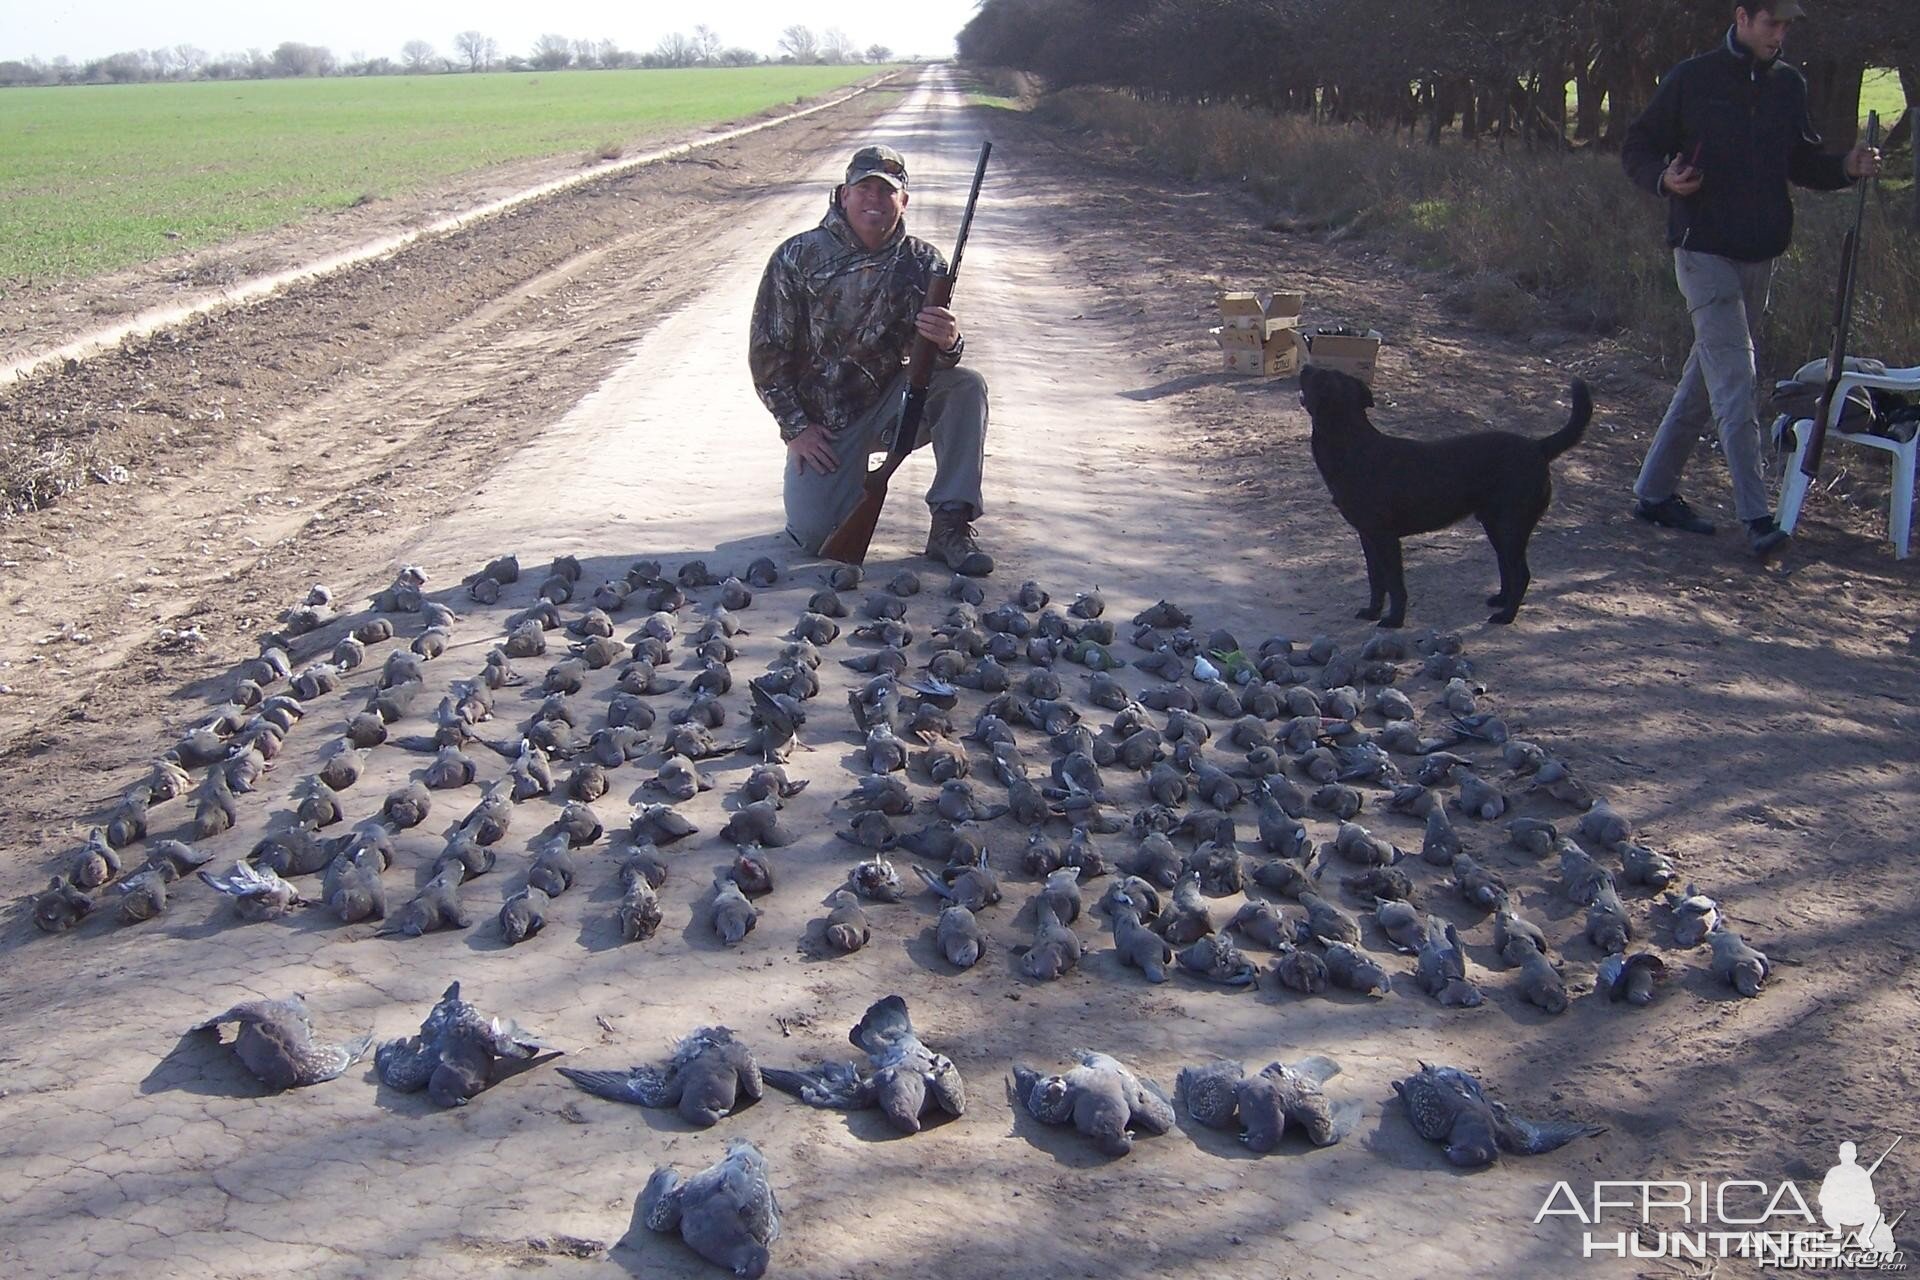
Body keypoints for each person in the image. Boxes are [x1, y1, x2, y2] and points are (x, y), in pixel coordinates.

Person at [1622, 0, 1881, 558]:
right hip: (1701, 251)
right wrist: (1664, 179)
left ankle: (1654, 493)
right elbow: (1636, 147)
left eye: (1787, 26)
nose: (1780, 35)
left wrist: (1845, 167)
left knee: (1707, 376)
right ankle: (1758, 517)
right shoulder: (1693, 78)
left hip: (1759, 257)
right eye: (1772, 23)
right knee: (1737, 375)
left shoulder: (1789, 85)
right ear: (1742, 18)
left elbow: (1802, 163)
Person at [750, 144, 993, 576]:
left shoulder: (923, 262)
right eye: (864, 189)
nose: (874, 200)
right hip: (824, 427)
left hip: (891, 406)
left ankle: (950, 524)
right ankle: (822, 499)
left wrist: (950, 342)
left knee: (966, 386)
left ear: (903, 201)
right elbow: (767, 355)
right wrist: (797, 430)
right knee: (816, 541)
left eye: (886, 192)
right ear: (844, 194)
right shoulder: (797, 257)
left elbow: (938, 361)